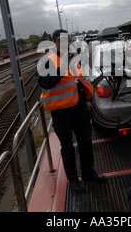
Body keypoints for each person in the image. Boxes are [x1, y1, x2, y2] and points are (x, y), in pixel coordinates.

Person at [36, 29, 106, 193]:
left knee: (86, 142)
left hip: (79, 107)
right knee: (67, 146)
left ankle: (89, 173)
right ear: (55, 42)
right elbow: (45, 83)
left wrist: (87, 97)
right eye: (62, 40)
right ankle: (74, 180)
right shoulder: (47, 61)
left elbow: (80, 79)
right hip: (61, 112)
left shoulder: (75, 58)